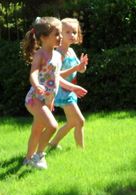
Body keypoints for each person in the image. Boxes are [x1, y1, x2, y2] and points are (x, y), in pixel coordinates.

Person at [21, 17, 87, 169]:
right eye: (57, 34)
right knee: (52, 125)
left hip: (46, 100)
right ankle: (39, 156)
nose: (60, 37)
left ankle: (27, 159)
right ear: (44, 38)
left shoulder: (57, 55)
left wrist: (72, 88)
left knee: (37, 131)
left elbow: (56, 77)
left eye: (60, 34)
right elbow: (33, 74)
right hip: (35, 99)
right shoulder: (40, 55)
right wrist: (37, 84)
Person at [48, 18, 88, 149]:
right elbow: (56, 75)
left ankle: (53, 143)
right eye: (68, 32)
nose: (72, 35)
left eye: (74, 32)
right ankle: (81, 151)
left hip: (71, 90)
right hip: (62, 91)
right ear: (60, 33)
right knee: (80, 121)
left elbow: (80, 70)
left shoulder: (71, 51)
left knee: (72, 122)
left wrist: (82, 66)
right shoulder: (57, 53)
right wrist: (75, 68)